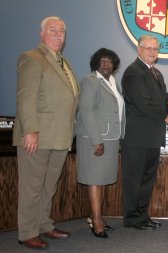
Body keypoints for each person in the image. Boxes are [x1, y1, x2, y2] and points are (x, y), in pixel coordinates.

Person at [12, 16, 79, 249]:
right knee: (32, 187)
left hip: (60, 137)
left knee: (48, 186)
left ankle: (44, 224)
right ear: (42, 34)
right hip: (37, 136)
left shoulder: (64, 62)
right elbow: (26, 99)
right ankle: (26, 232)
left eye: (62, 31)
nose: (58, 34)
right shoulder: (31, 58)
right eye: (53, 30)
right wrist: (30, 130)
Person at [121, 34, 168, 230]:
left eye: (155, 49)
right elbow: (144, 102)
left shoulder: (156, 73)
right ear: (139, 49)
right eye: (149, 48)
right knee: (134, 180)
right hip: (137, 138)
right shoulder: (132, 73)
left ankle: (142, 216)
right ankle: (132, 218)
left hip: (152, 137)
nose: (153, 52)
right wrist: (166, 117)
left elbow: (159, 96)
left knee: (146, 180)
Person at [75, 48, 125, 238]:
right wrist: (97, 140)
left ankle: (96, 217)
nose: (106, 64)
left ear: (115, 65)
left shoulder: (113, 83)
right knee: (95, 179)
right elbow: (86, 111)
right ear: (96, 63)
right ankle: (96, 221)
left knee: (102, 178)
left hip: (111, 139)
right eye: (102, 61)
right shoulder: (91, 81)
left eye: (109, 61)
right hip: (94, 139)